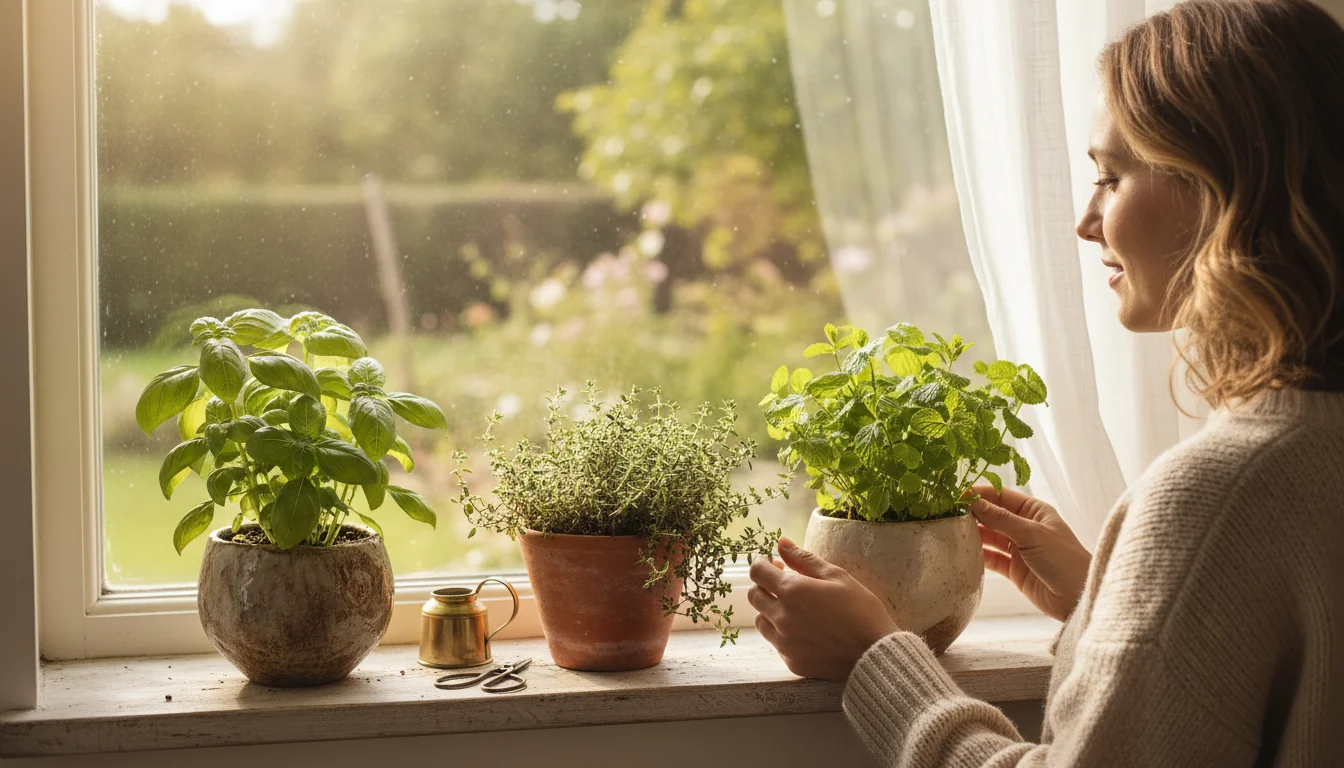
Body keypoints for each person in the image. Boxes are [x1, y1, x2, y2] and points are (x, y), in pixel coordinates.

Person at [747, 0, 1344, 764]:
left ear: (1220, 190)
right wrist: (1107, 600)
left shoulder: (1220, 496)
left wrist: (875, 658)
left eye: (1112, 177)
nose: (1087, 221)